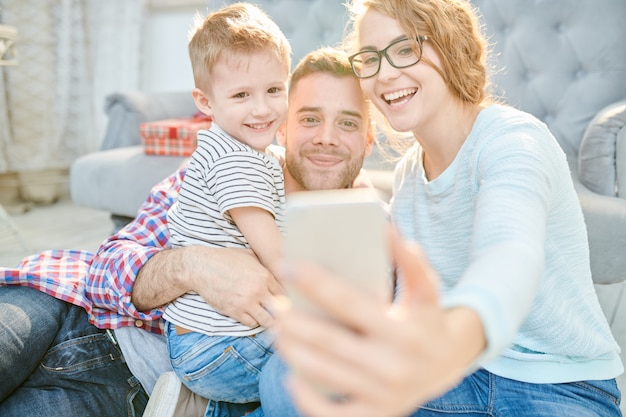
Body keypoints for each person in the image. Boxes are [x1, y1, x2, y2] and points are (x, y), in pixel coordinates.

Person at [270, 0, 624, 416]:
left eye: (405, 50)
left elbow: (510, 253)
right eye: (370, 58)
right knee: (291, 383)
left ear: (451, 47)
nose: (384, 74)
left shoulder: (514, 140)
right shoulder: (405, 181)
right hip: (453, 383)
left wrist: (450, 343)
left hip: (560, 387)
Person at [0, 45, 374, 416]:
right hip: (61, 305)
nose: (326, 137)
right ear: (282, 128)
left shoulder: (375, 230)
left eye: (347, 122)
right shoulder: (233, 169)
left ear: (369, 139)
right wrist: (191, 266)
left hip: (137, 394)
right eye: (309, 119)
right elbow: (104, 271)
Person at [162, 3, 291, 413]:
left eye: (274, 89)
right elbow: (276, 256)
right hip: (216, 347)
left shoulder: (234, 148)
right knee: (335, 353)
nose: (262, 109)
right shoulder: (236, 162)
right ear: (206, 101)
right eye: (241, 95)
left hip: (201, 339)